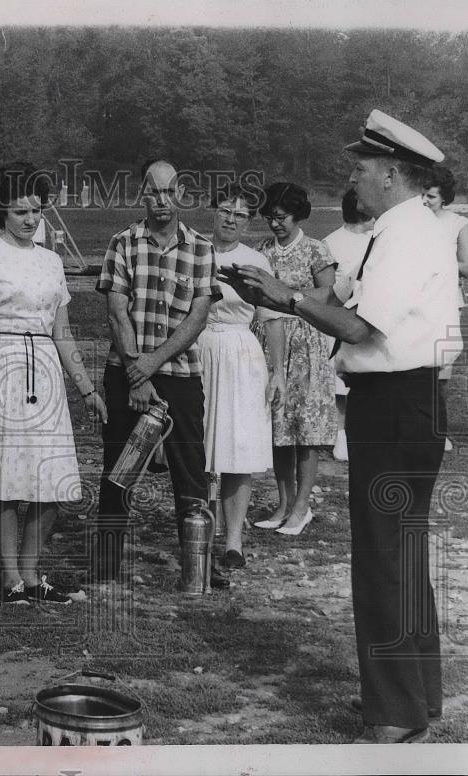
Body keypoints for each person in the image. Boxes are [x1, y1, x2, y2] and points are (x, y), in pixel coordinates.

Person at [218, 108, 458, 743]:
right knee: (401, 551)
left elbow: (361, 328)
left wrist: (291, 298)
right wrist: (280, 298)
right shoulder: (407, 228)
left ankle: (396, 713)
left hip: (395, 402)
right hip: (408, 400)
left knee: (383, 555)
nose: (352, 179)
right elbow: (355, 313)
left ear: (389, 174)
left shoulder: (405, 235)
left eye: (359, 168)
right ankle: (418, 697)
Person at [0, 163, 107, 604]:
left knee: (50, 478)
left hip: (46, 376)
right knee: (3, 480)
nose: (31, 219)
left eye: (36, 210)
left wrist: (88, 389)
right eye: (20, 211)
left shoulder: (52, 261)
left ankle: (34, 575)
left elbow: (64, 332)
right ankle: (10, 576)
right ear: (1, 214)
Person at [93, 159, 226, 586]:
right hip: (126, 372)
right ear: (142, 195)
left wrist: (153, 363)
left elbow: (198, 317)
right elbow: (116, 311)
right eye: (154, 192)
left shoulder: (202, 248)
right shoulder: (123, 243)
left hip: (181, 374)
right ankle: (106, 566)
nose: (162, 201)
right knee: (119, 468)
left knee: (191, 471)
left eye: (170, 192)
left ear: (182, 195)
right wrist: (138, 370)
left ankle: (199, 566)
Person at [197, 187, 280, 570]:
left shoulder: (255, 259)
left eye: (241, 215)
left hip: (241, 353)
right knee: (200, 448)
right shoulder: (194, 249)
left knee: (238, 449)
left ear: (248, 222)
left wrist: (277, 371)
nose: (231, 219)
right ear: (214, 212)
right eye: (225, 211)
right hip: (197, 351)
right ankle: (200, 532)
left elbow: (271, 318)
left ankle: (233, 542)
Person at [251, 182, 337, 536]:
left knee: (306, 428)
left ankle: (302, 507)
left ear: (298, 215)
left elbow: (327, 294)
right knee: (278, 428)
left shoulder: (317, 250)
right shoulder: (261, 251)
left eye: (282, 217)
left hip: (306, 345)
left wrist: (288, 298)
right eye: (271, 218)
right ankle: (284, 503)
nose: (276, 224)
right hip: (271, 342)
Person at [422, 165, 468, 453]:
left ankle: (439, 432)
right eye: (423, 195)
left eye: (431, 196)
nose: (425, 201)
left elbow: (466, 266)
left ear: (444, 198)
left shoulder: (458, 223)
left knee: (442, 371)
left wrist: (432, 267)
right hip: (417, 300)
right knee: (415, 367)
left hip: (447, 302)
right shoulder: (414, 221)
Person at [323, 189, 375, 462]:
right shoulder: (331, 243)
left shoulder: (376, 240)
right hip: (339, 322)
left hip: (370, 320)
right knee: (339, 385)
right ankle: (340, 435)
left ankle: (363, 432)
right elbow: (328, 291)